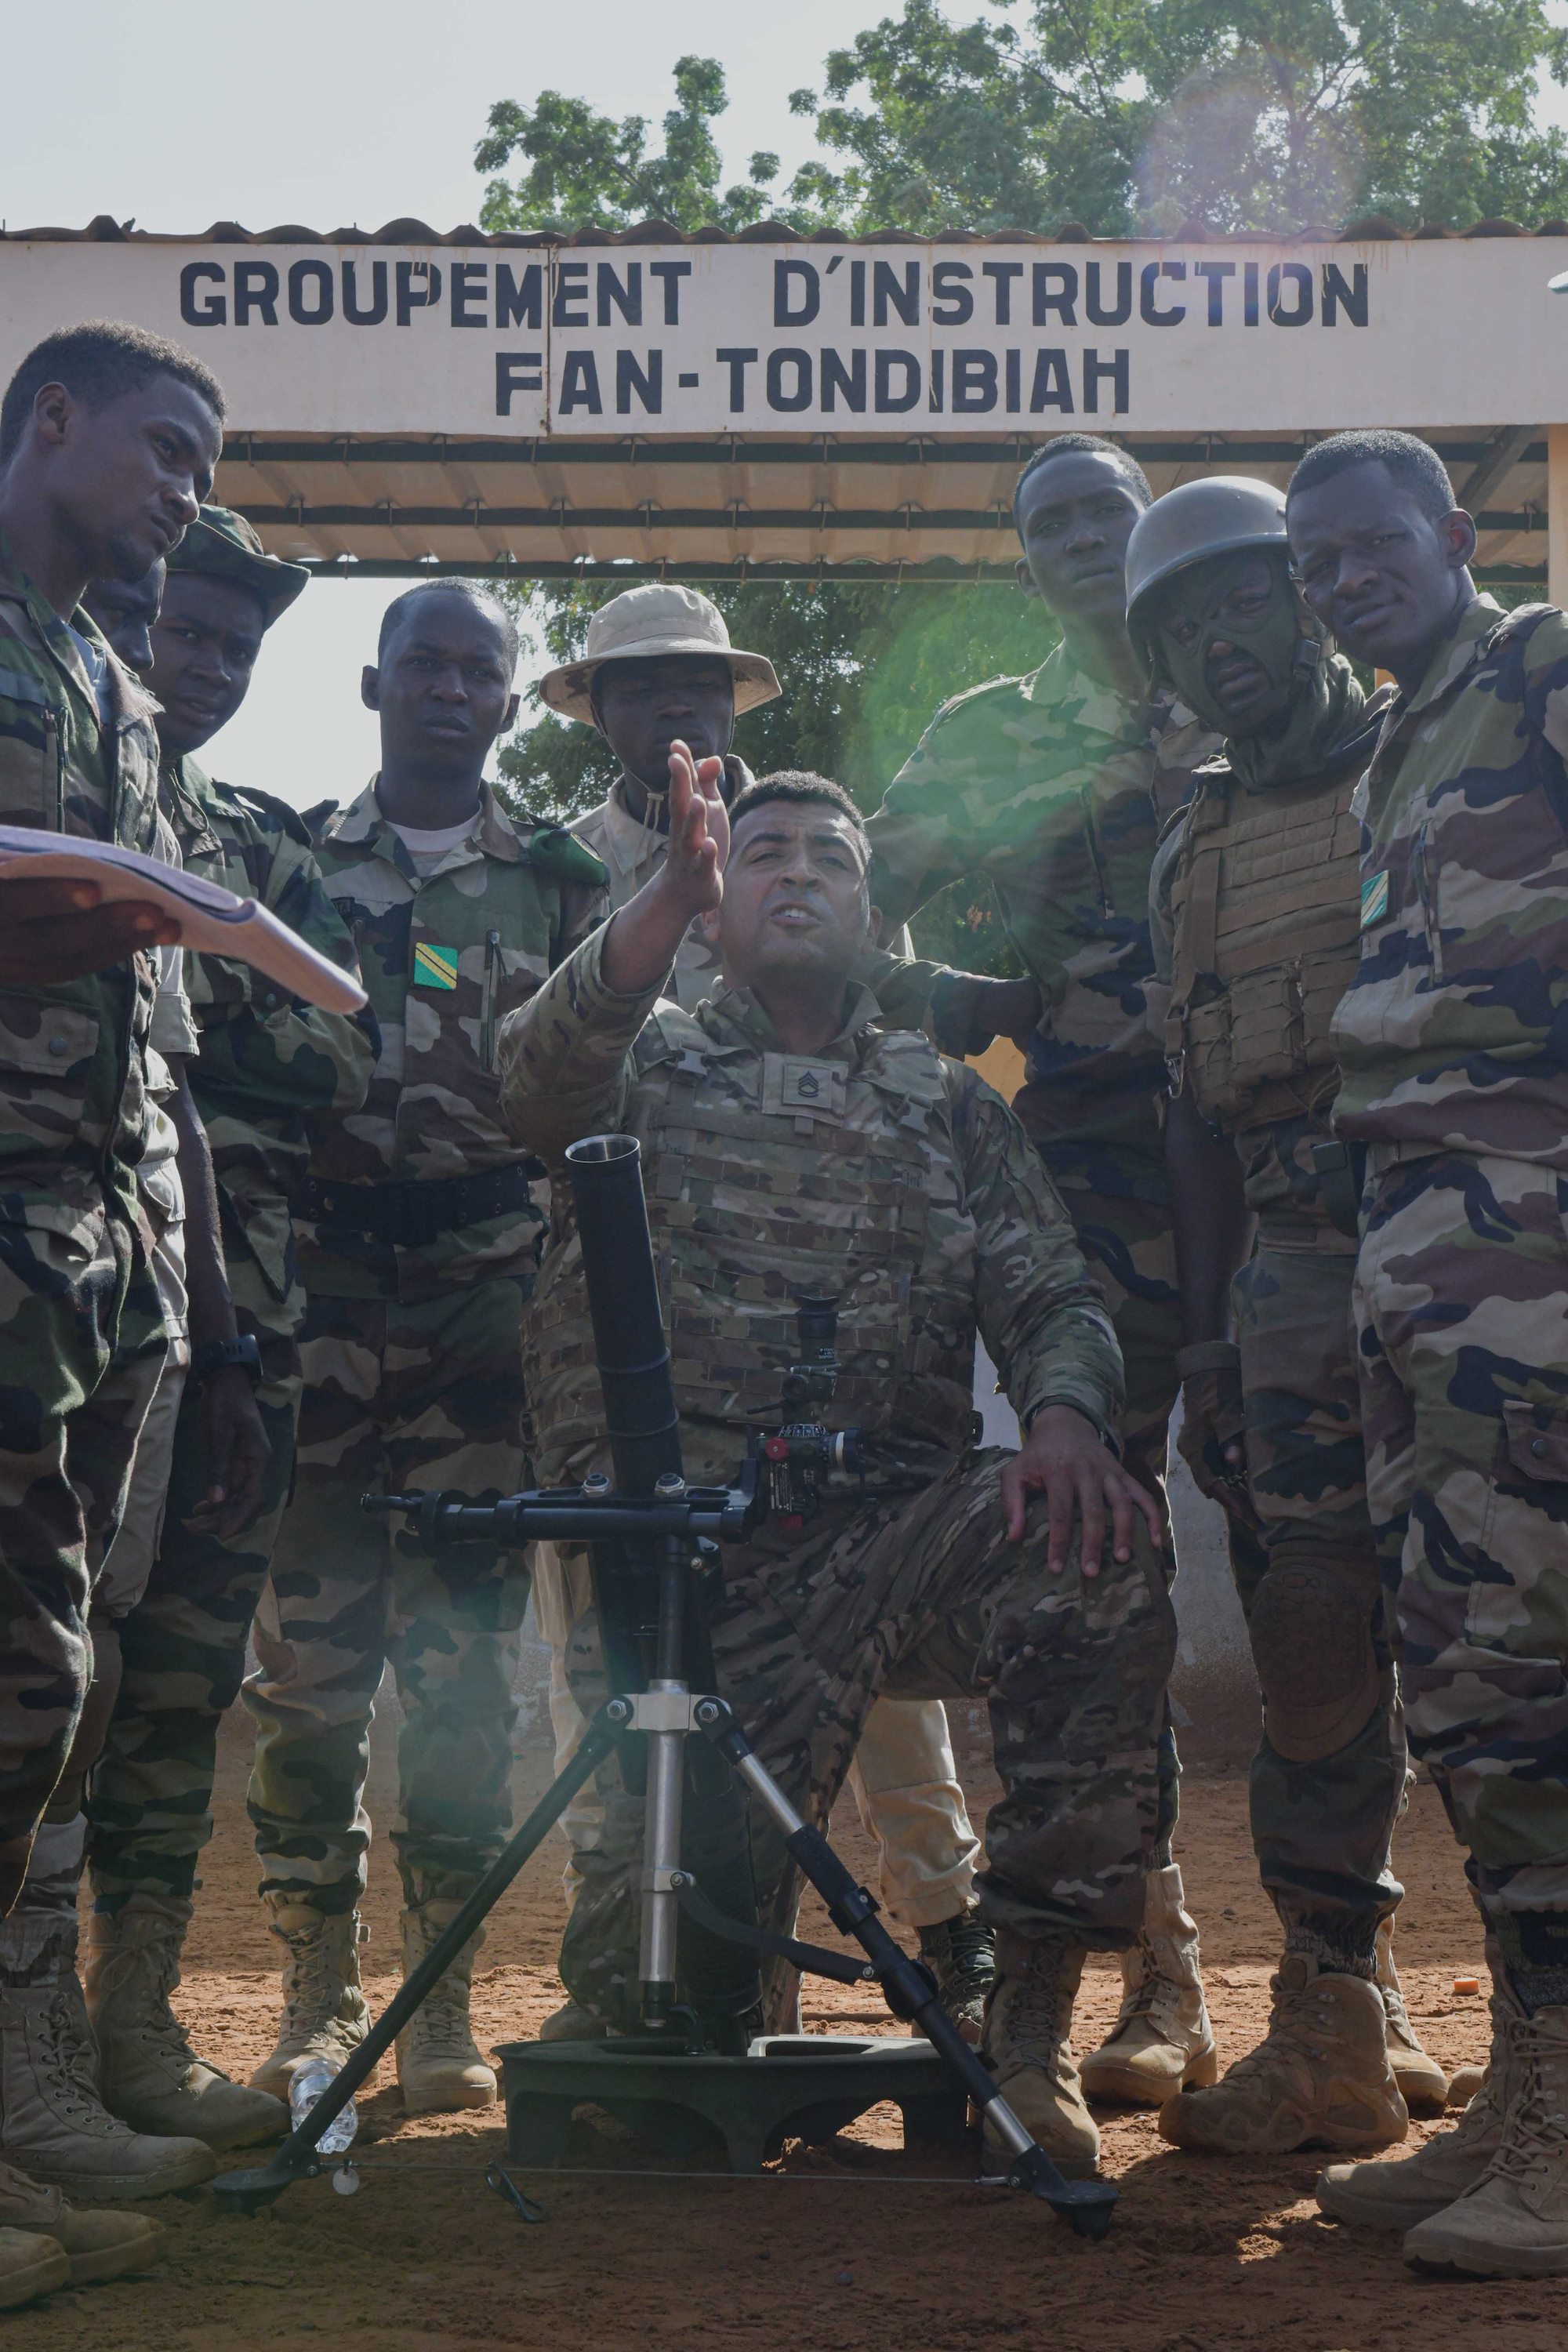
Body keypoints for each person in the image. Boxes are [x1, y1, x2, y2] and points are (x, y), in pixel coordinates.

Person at [500, 753, 1174, 2177]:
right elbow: (529, 1079)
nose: (798, 873)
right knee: (663, 2034)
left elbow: (1055, 1296)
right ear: (715, 904)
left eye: (833, 858)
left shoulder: (948, 1101)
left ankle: (1028, 2026)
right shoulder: (648, 1061)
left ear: (873, 914)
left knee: (1095, 1542)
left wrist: (1065, 1418)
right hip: (689, 1573)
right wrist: (658, 899)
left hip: (895, 1537)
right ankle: (708, 1986)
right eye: (764, 854)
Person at [534, 582, 990, 2039]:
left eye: (702, 683)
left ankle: (954, 1935)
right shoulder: (561, 868)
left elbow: (877, 1043)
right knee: (623, 1686)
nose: (678, 705)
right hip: (645, 1346)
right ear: (597, 710)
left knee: (888, 1697)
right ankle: (645, 1957)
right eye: (641, 684)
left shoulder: (806, 842)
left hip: (834, 1366)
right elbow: (542, 1071)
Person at [862, 433, 1247, 2103]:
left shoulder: (1245, 680)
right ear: (1023, 559)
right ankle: (1164, 1978)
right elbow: (852, 905)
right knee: (1112, 1552)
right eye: (1055, 522)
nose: (1088, 538)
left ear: (1151, 526)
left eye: (1110, 509)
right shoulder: (989, 735)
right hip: (1091, 1184)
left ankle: (1346, 1987)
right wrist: (975, 1011)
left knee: (1327, 1558)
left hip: (1289, 1165)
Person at [244, 579, 608, 2116]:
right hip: (320, 1295)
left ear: (509, 703)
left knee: (464, 1677)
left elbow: (603, 1091)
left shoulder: (561, 886)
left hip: (483, 1308)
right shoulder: (289, 867)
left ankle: (438, 1997)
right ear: (373, 685)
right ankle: (314, 1992)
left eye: (478, 670)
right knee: (310, 1671)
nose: (449, 689)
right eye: (424, 666)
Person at [1122, 475, 1445, 2161]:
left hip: (1469, 1229)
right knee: (1310, 1628)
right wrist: (1203, 1345)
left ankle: (1527, 2035)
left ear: (1306, 600)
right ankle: (1335, 2013)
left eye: (1242, 600)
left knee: (1500, 1629)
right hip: (1290, 1264)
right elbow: (1191, 1111)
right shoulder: (1192, 846)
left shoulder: (1438, 759)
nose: (1216, 642)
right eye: (1180, 625)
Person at [1275, 429, 1568, 2277]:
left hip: (1521, 1225)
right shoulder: (1395, 741)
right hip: (1417, 1237)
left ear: (1453, 534)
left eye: (1371, 543)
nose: (1342, 580)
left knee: (1531, 1666)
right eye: (1317, 562)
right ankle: (1525, 2089)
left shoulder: (1535, 663)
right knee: (1461, 1671)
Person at [79, 510, 375, 2153]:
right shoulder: (62, 797)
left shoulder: (259, 838)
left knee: (185, 1673)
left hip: (241, 1321)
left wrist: (189, 981)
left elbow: (345, 1047)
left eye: (234, 649)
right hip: (74, 1290)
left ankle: (132, 2021)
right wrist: (214, 981)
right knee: (56, 1665)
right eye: (179, 630)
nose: (200, 666)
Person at [0, 318, 227, 2286]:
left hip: (97, 1248)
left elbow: (155, 1011)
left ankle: (16, 2112)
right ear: (50, 418)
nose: (185, 496)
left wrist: (181, 1264)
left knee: (40, 1693)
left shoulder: (113, 690)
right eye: (165, 452)